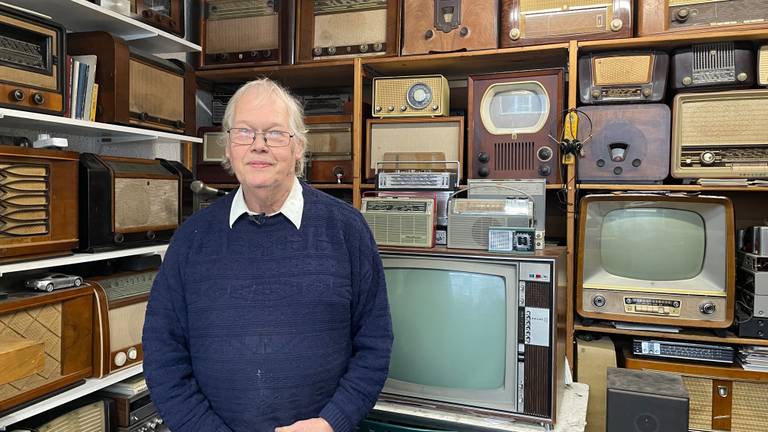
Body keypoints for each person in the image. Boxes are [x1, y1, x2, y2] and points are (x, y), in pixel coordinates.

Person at [142, 78, 393, 432]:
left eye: (275, 133)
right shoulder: (190, 239)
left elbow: (374, 345)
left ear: (299, 148)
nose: (258, 146)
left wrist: (331, 423)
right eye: (244, 132)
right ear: (228, 147)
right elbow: (163, 355)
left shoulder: (347, 231)